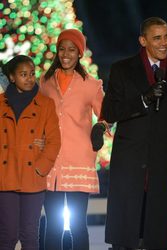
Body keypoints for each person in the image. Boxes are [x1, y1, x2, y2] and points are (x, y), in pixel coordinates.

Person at [100, 17, 167, 250]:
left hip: (161, 162)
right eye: (157, 38)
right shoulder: (122, 69)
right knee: (125, 233)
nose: (164, 43)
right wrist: (143, 99)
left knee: (157, 232)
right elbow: (110, 112)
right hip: (129, 161)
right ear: (143, 40)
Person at [39, 28, 107, 250]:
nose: (66, 54)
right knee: (52, 226)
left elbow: (106, 113)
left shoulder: (90, 84)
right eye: (61, 49)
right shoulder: (45, 82)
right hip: (51, 161)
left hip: (79, 160)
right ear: (57, 51)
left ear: (79, 53)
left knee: (78, 225)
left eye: (71, 50)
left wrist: (100, 126)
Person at [0, 55, 61, 250]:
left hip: (33, 177)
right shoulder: (0, 103)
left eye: (32, 74)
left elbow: (54, 141)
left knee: (29, 235)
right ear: (11, 77)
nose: (29, 78)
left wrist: (40, 168)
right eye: (23, 74)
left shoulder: (46, 104)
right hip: (5, 177)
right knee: (7, 235)